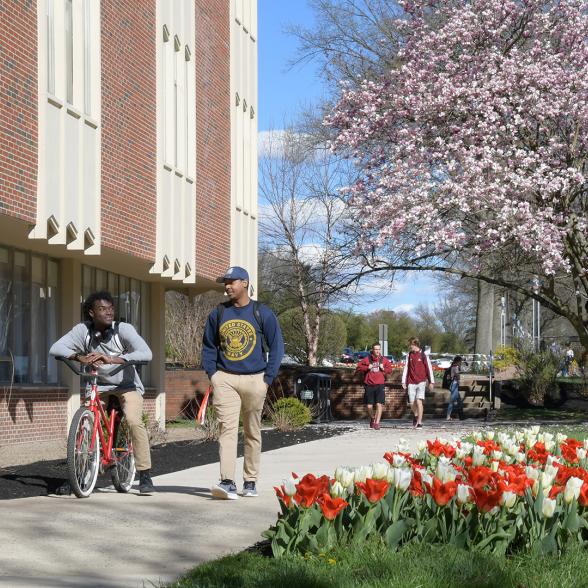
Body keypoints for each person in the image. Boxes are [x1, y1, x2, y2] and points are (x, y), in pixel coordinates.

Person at [50, 291, 155, 494]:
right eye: (102, 309)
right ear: (91, 312)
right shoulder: (83, 331)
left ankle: (145, 474)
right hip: (98, 384)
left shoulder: (123, 329)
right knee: (86, 425)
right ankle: (79, 476)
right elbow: (56, 348)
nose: (109, 313)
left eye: (111, 308)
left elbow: (146, 353)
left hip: (127, 386)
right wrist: (78, 356)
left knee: (134, 421)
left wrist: (112, 359)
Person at [202, 266, 284, 500]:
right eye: (225, 283)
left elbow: (277, 347)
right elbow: (209, 345)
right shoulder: (218, 313)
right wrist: (213, 374)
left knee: (252, 431)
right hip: (225, 378)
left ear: (245, 283)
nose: (227, 286)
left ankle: (250, 481)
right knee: (226, 430)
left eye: (232, 282)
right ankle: (227, 481)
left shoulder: (262, 312)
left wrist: (266, 379)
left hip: (255, 379)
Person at [356, 343, 392, 430]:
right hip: (369, 384)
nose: (377, 351)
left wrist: (383, 368)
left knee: (379, 404)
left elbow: (390, 370)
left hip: (380, 384)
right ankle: (372, 418)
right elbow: (358, 367)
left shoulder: (384, 360)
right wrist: (367, 367)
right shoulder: (367, 359)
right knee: (369, 406)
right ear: (372, 350)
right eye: (376, 349)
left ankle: (377, 423)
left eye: (379, 349)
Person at [401, 338, 434, 429]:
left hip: (421, 382)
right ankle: (416, 415)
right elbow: (406, 368)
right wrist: (403, 381)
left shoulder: (424, 355)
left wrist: (431, 382)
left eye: (410, 344)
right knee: (411, 402)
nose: (409, 346)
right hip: (411, 381)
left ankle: (419, 422)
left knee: (419, 401)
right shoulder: (409, 355)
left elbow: (429, 369)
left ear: (415, 344)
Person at [446, 356, 464, 421]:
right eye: (460, 361)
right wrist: (459, 381)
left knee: (457, 401)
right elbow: (457, 375)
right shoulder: (456, 367)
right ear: (458, 361)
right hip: (454, 384)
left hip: (452, 384)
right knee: (452, 401)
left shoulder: (453, 366)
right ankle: (448, 416)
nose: (461, 363)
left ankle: (460, 416)